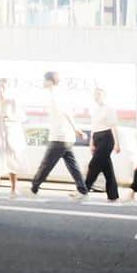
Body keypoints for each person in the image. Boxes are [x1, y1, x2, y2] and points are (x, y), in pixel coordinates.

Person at [29, 71, 89, 199]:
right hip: (65, 137)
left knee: (46, 164)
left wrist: (76, 128)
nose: (43, 82)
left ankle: (33, 188)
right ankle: (83, 191)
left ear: (50, 81)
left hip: (59, 136)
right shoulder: (58, 94)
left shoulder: (55, 95)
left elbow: (66, 113)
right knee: (72, 166)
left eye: (44, 80)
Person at [84, 87, 121, 202]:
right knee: (107, 168)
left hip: (107, 137)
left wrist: (117, 143)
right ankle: (113, 195)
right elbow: (93, 128)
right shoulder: (94, 110)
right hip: (97, 138)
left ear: (104, 96)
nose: (96, 96)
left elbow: (114, 126)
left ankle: (83, 190)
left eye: (99, 94)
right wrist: (91, 143)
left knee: (93, 165)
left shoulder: (109, 109)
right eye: (95, 94)